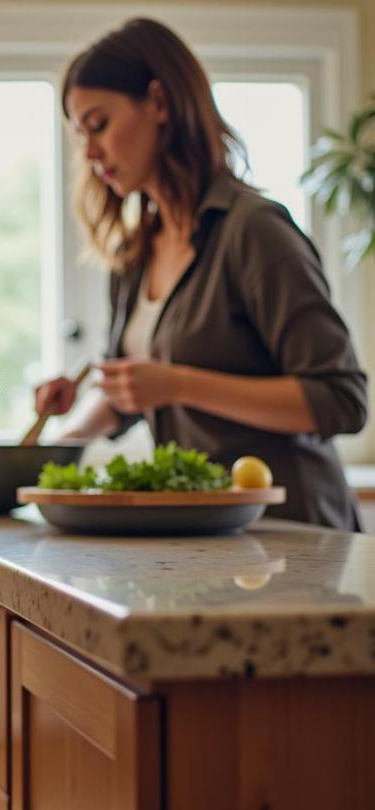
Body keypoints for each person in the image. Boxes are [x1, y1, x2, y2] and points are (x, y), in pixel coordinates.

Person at [35, 17, 369, 530]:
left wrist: (176, 384)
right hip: (208, 534)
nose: (89, 152)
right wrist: (53, 446)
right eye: (80, 135)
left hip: (296, 533)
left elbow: (340, 400)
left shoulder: (254, 231)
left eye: (98, 125)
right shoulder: (135, 254)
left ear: (160, 103)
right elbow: (128, 395)